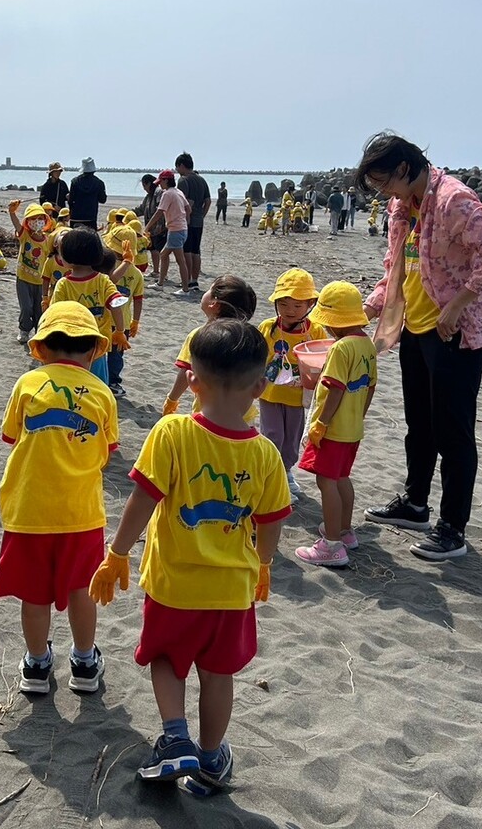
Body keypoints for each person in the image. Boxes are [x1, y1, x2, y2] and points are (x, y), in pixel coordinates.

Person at [89, 319, 291, 792]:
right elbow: (273, 517)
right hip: (232, 590)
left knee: (165, 658)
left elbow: (143, 499)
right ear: (260, 387)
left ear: (192, 380)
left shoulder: (172, 432)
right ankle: (210, 758)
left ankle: (175, 738)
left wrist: (117, 553)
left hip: (173, 585)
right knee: (218, 674)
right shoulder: (264, 454)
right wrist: (263, 563)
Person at [355, 131, 482, 561]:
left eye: (382, 181)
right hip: (415, 328)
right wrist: (365, 310)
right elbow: (397, 270)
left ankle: (452, 529)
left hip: (456, 335)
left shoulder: (452, 200)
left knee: (453, 434)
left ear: (405, 168)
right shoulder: (400, 206)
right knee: (420, 426)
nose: (381, 191)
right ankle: (415, 505)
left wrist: (459, 303)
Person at [0, 301, 119, 695]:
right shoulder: (102, 393)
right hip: (80, 513)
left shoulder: (28, 384)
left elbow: (11, 436)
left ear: (42, 348)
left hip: (29, 509)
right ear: (94, 350)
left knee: (34, 593)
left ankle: (36, 665)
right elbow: (107, 451)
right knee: (82, 588)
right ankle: (83, 661)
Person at [294, 282, 377, 567]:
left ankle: (331, 544)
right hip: (353, 428)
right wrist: (360, 414)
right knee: (342, 477)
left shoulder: (340, 349)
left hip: (334, 428)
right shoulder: (366, 344)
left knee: (325, 481)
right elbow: (371, 386)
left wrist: (321, 422)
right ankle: (344, 530)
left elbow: (335, 388)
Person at [257, 269, 326, 496]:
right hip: (270, 394)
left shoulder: (315, 331)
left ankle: (285, 470)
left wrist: (308, 377)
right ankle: (271, 474)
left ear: (310, 305)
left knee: (292, 438)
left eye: (297, 306)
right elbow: (257, 356)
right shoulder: (268, 328)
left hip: (298, 397)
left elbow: (321, 361)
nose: (290, 311)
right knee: (273, 434)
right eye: (284, 304)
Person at [162, 275, 258, 419]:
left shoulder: (201, 335)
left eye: (209, 289)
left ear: (214, 303)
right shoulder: (248, 338)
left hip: (208, 412)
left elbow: (185, 371)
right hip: (243, 413)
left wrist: (172, 399)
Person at [51, 228, 130, 386]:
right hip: (97, 345)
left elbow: (55, 315)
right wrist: (120, 331)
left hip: (69, 344)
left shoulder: (63, 284)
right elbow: (115, 305)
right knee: (97, 385)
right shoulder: (103, 280)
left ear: (68, 256)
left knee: (71, 383)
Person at [8, 200, 52, 344]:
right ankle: (24, 330)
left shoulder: (47, 240)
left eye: (40, 218)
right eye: (33, 218)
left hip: (40, 281)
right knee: (26, 307)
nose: (37, 221)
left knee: (39, 310)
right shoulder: (24, 235)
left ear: (45, 221)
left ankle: (39, 333)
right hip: (23, 278)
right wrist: (12, 212)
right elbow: (16, 224)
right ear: (28, 221)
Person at [144, 170, 191, 293]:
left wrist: (147, 227)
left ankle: (185, 289)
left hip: (176, 230)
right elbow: (188, 209)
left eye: (161, 182)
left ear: (166, 180)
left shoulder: (167, 194)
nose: (159, 185)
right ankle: (160, 283)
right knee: (163, 255)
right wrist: (184, 220)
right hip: (180, 229)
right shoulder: (178, 192)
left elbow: (159, 212)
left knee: (180, 261)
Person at [105, 245, 143, 398]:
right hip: (122, 321)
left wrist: (135, 321)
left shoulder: (110, 267)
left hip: (108, 320)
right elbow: (138, 300)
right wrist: (135, 320)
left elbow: (138, 298)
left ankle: (110, 381)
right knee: (114, 354)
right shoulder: (136, 273)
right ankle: (111, 382)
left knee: (111, 354)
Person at [176, 152, 211, 290]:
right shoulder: (202, 180)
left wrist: (185, 218)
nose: (177, 171)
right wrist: (202, 215)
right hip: (198, 221)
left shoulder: (184, 180)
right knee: (196, 251)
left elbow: (185, 202)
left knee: (187, 251)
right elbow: (208, 201)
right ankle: (194, 280)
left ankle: (188, 280)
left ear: (182, 165)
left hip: (187, 221)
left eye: (177, 167)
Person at [68, 158, 107, 230]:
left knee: (75, 240)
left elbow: (70, 200)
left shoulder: (75, 182)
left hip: (76, 217)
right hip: (90, 217)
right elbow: (103, 200)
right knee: (90, 239)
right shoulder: (99, 183)